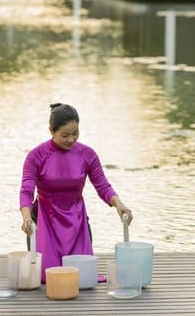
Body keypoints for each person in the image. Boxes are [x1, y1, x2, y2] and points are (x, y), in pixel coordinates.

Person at [19, 103, 132, 282]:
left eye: (75, 133)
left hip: (77, 222)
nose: (71, 140)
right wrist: (26, 218)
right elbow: (26, 190)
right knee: (45, 279)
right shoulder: (36, 156)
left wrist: (119, 204)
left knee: (80, 278)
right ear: (51, 131)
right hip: (43, 222)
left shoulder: (87, 154)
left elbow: (102, 185)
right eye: (65, 135)